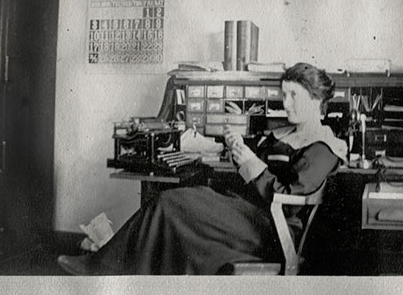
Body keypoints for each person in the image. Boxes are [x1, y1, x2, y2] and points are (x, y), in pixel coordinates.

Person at [57, 62, 347, 275]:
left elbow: (286, 194)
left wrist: (250, 161)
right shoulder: (283, 134)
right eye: (284, 95)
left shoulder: (323, 147)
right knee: (169, 204)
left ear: (316, 100)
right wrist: (239, 154)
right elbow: (255, 172)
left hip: (271, 226)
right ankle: (109, 267)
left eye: (294, 96)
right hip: (246, 211)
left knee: (169, 204)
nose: (286, 103)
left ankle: (103, 269)